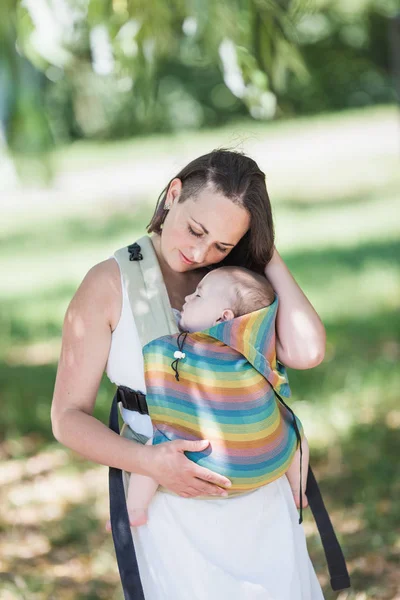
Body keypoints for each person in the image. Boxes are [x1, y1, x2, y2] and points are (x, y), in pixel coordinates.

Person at [51, 149, 326, 599]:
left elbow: (308, 350)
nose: (200, 252)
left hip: (259, 506)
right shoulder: (108, 284)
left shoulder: (237, 283)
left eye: (220, 243)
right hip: (168, 507)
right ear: (173, 194)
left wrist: (264, 251)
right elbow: (67, 416)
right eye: (196, 229)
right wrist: (148, 463)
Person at [126, 265, 310, 527]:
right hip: (267, 462)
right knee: (297, 435)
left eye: (198, 295)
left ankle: (135, 509)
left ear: (223, 318)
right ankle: (297, 490)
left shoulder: (179, 348)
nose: (188, 297)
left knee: (154, 450)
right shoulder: (257, 345)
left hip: (203, 462)